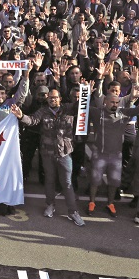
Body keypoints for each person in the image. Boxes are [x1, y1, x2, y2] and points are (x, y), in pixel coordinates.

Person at [11, 91, 85, 227]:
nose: (53, 99)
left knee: (67, 183)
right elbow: (32, 120)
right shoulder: (43, 111)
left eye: (55, 97)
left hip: (65, 153)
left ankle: (73, 211)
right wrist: (20, 116)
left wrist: (87, 93)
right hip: (47, 153)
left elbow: (81, 107)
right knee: (49, 181)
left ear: (60, 98)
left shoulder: (68, 108)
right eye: (50, 97)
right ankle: (50, 205)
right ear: (47, 99)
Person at [87, 91, 139, 218]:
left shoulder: (123, 113)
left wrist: (134, 83)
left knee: (114, 182)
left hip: (116, 156)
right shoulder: (97, 112)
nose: (115, 104)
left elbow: (137, 110)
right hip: (99, 154)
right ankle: (92, 202)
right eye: (112, 102)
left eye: (117, 102)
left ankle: (110, 204)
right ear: (105, 102)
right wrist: (86, 92)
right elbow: (82, 107)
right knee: (95, 181)